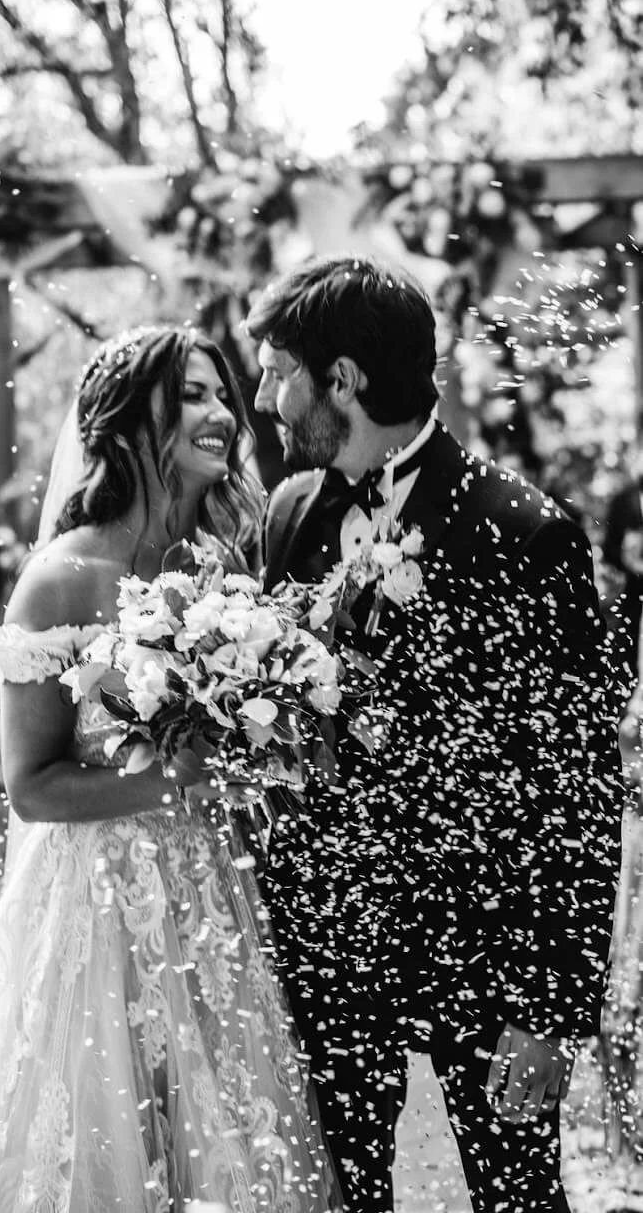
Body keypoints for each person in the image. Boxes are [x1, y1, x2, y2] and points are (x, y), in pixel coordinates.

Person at [0, 327, 342, 1212]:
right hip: (92, 907)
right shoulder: (59, 578)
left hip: (208, 898)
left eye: (221, 395)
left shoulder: (223, 562)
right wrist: (174, 783)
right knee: (105, 1137)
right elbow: (32, 785)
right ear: (131, 423)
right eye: (193, 396)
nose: (221, 415)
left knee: (215, 1128)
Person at [245, 256, 625, 1213]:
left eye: (280, 372)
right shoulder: (290, 513)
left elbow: (574, 794)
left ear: (343, 381)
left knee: (517, 1200)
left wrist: (548, 1013)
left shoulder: (524, 535)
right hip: (327, 956)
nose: (265, 398)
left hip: (488, 962)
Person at [604, 462, 643, 678]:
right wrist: (626, 557)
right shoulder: (623, 501)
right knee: (629, 640)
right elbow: (610, 545)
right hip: (632, 587)